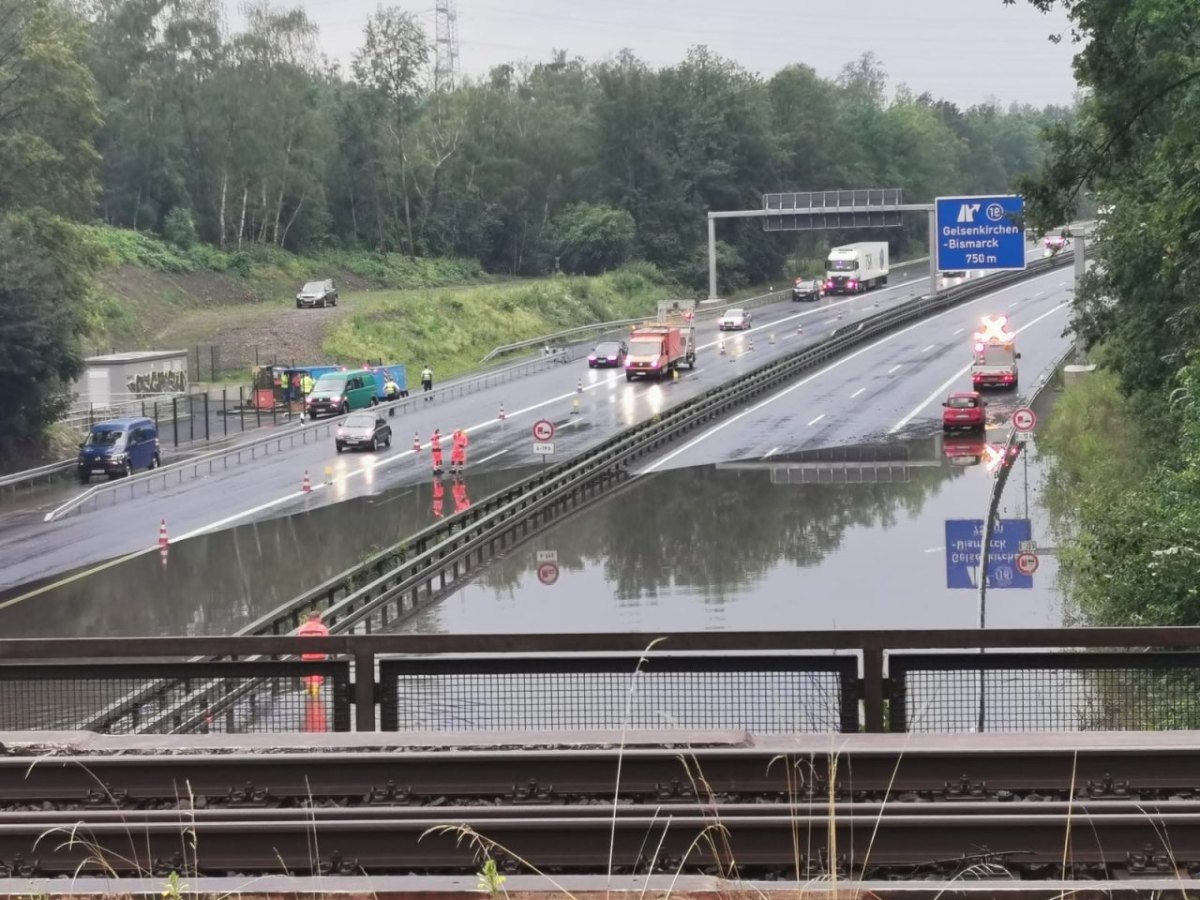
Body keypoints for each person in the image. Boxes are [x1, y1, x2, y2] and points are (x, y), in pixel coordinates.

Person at [297, 611, 330, 696]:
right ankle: (316, 692)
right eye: (320, 618)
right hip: (320, 656)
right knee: (318, 673)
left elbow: (298, 643)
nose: (321, 619)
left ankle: (311, 692)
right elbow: (328, 642)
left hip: (306, 657)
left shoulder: (301, 628)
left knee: (309, 673)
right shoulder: (322, 628)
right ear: (317, 618)